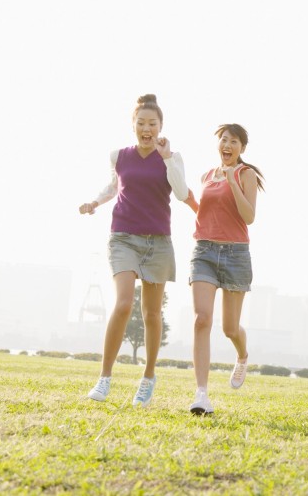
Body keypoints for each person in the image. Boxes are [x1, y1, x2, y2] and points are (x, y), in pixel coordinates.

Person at [78, 94, 197, 408]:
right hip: (123, 238)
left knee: (152, 314)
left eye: (152, 124)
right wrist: (94, 202)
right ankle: (104, 378)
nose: (147, 128)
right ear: (133, 125)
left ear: (161, 127)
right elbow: (114, 186)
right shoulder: (119, 155)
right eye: (141, 123)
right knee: (123, 304)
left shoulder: (173, 157)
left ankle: (147, 377)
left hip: (158, 242)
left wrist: (168, 157)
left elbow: (182, 192)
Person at [187, 124, 264, 415]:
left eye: (233, 141)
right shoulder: (207, 175)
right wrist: (190, 200)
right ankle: (201, 394)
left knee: (229, 327)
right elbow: (207, 212)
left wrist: (233, 181)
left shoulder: (247, 175)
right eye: (223, 140)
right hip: (204, 251)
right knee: (201, 319)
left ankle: (242, 355)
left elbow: (249, 217)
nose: (227, 145)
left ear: (242, 148)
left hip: (235, 254)